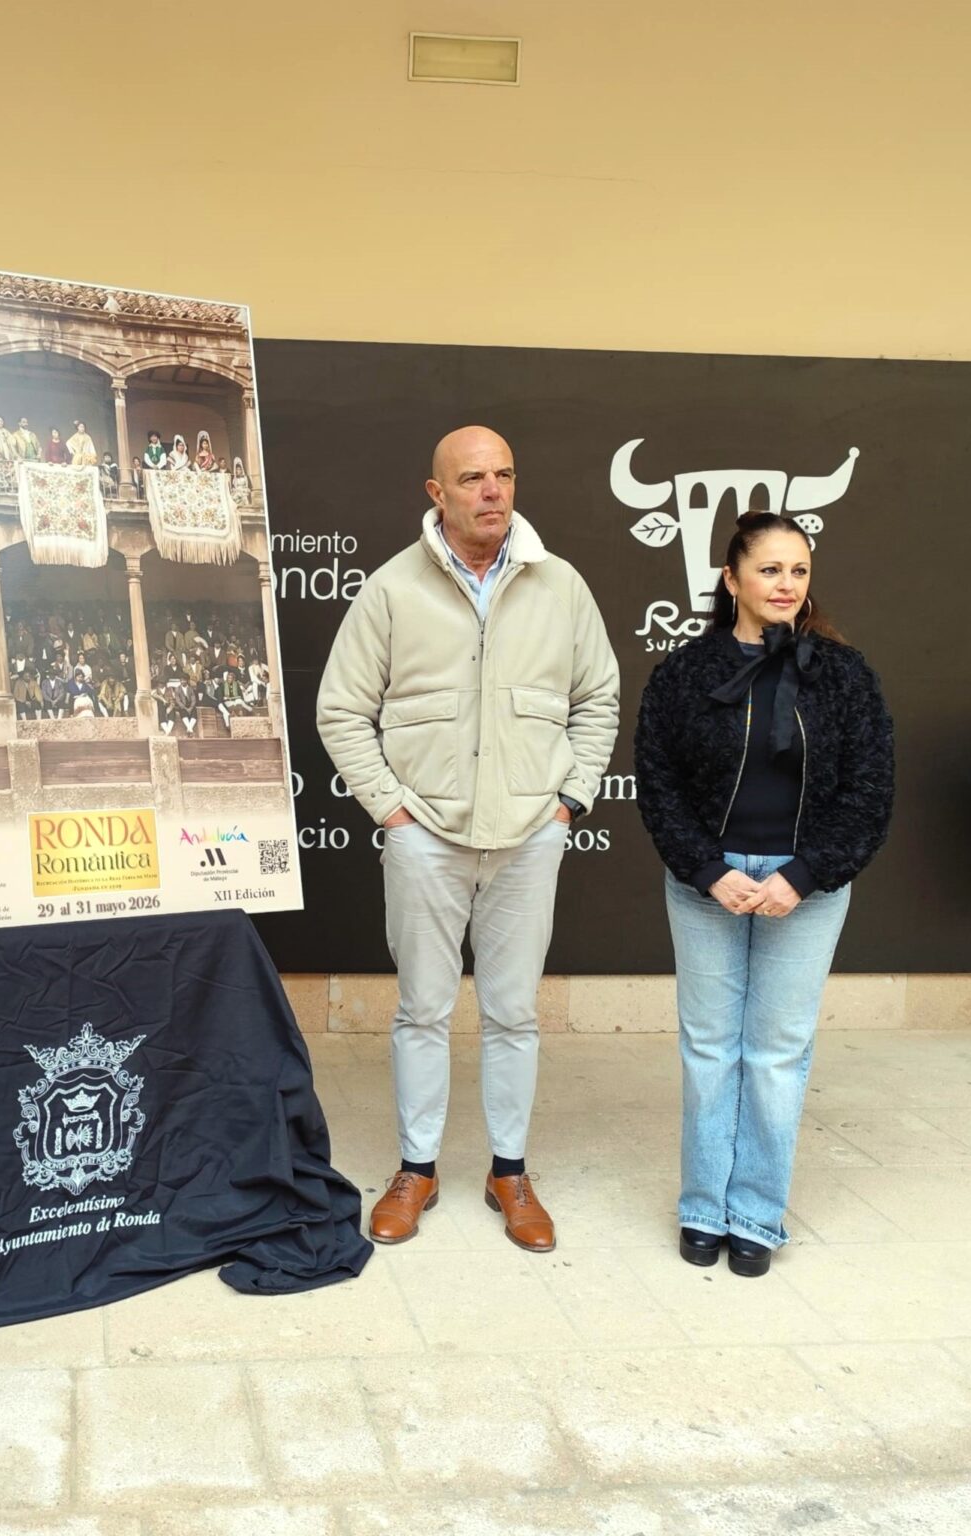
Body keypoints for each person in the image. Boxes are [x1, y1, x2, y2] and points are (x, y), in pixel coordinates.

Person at [317, 425, 619, 1250]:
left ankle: (508, 1173)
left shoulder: (559, 586)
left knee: (513, 1013)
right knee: (421, 1008)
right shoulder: (389, 590)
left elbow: (598, 699)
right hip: (425, 837)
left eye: (504, 476)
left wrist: (567, 803)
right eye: (473, 478)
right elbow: (341, 709)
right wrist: (391, 810)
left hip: (530, 835)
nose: (492, 491)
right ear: (436, 493)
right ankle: (416, 1170)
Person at [634, 511, 894, 1277]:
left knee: (776, 1054)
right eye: (770, 569)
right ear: (730, 579)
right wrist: (707, 870)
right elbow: (659, 785)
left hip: (803, 888)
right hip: (705, 885)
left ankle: (755, 1212)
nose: (786, 585)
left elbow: (869, 792)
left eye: (799, 571)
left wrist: (803, 875)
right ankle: (701, 1207)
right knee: (710, 1050)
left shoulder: (845, 676)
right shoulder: (683, 674)